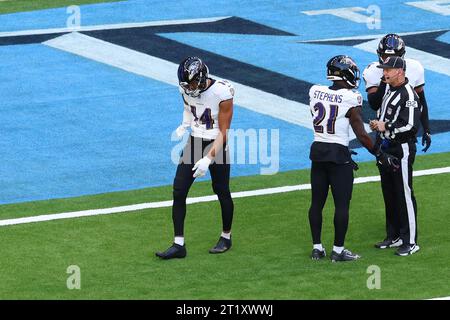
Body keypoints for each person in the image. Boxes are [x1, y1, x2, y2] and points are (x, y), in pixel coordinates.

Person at [308, 55, 399, 262]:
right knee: (341, 205)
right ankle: (338, 251)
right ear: (344, 72)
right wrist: (379, 153)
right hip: (339, 155)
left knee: (316, 203)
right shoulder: (351, 97)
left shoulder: (315, 91)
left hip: (318, 151)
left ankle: (317, 248)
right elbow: (361, 134)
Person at [156, 56, 235, 259]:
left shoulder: (222, 92)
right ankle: (178, 244)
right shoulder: (186, 89)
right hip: (195, 141)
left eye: (192, 83)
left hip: (217, 142)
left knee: (221, 190)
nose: (189, 87)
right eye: (186, 84)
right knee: (179, 190)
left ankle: (226, 237)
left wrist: (208, 159)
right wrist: (185, 124)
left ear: (201, 77)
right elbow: (188, 107)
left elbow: (224, 132)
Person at [369, 56, 421, 256]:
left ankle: (411, 241)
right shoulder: (390, 90)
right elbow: (385, 114)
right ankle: (394, 236)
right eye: (384, 70)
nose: (384, 73)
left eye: (388, 70)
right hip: (386, 147)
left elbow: (410, 126)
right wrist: (378, 125)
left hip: (402, 149)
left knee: (404, 193)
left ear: (399, 70)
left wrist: (386, 126)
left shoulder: (409, 95)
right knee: (389, 193)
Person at [363, 33, 431, 152]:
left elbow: (421, 101)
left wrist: (427, 129)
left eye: (395, 56)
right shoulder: (373, 71)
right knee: (385, 168)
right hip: (383, 132)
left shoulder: (415, 68)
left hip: (405, 131)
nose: (390, 60)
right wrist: (385, 78)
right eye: (385, 56)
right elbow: (374, 104)